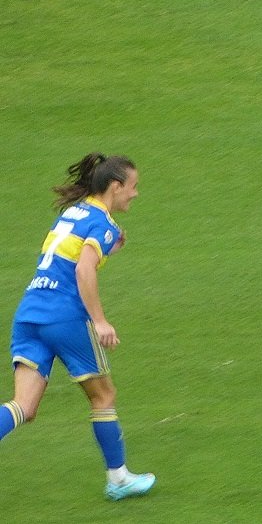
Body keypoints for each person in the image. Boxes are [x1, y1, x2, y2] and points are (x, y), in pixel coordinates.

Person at [0, 153, 155, 500]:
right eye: (133, 187)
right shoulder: (103, 223)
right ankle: (118, 479)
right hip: (64, 318)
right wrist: (99, 321)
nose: (135, 194)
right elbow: (82, 270)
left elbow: (66, 255)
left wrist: (109, 246)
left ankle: (119, 478)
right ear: (115, 187)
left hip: (29, 314)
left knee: (24, 406)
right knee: (104, 396)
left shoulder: (74, 212)